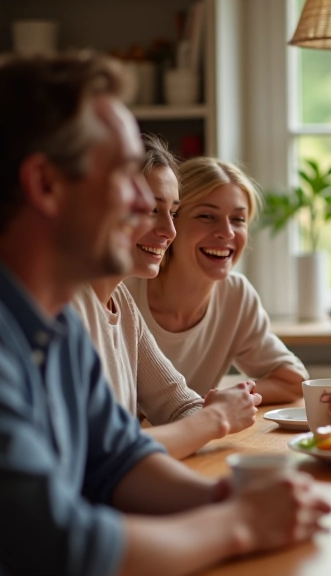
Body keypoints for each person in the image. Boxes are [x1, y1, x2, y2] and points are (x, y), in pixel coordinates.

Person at [0, 53, 329, 576]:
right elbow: (63, 547)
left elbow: (119, 464)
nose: (144, 208)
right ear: (45, 185)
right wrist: (240, 522)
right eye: (124, 175)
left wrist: (226, 496)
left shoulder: (51, 322)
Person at [70, 133, 261, 460]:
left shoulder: (122, 305)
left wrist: (215, 412)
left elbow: (179, 405)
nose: (169, 232)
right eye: (150, 210)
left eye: (172, 212)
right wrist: (215, 417)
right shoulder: (70, 307)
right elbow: (106, 454)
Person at [127, 157, 331, 420]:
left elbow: (291, 379)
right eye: (207, 216)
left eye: (238, 219)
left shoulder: (235, 295)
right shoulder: (121, 292)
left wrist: (213, 402)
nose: (226, 232)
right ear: (173, 221)